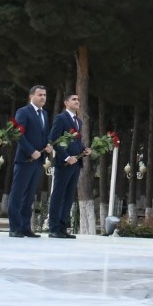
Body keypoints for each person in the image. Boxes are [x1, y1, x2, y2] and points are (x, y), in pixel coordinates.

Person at [8, 85, 54, 238]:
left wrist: (47, 144)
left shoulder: (44, 114)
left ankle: (25, 227)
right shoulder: (23, 112)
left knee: (29, 196)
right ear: (31, 96)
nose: (43, 98)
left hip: (38, 160)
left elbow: (44, 133)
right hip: (25, 160)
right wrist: (31, 151)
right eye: (40, 95)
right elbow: (19, 135)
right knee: (17, 194)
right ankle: (14, 228)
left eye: (45, 95)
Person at [47, 92, 90, 239]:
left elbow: (76, 142)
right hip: (64, 164)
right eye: (74, 99)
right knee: (58, 195)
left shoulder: (78, 121)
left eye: (78, 99)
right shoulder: (61, 118)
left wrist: (84, 149)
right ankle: (53, 228)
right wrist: (66, 157)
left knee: (69, 197)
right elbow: (54, 139)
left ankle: (63, 228)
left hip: (76, 163)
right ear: (66, 103)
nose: (77, 101)